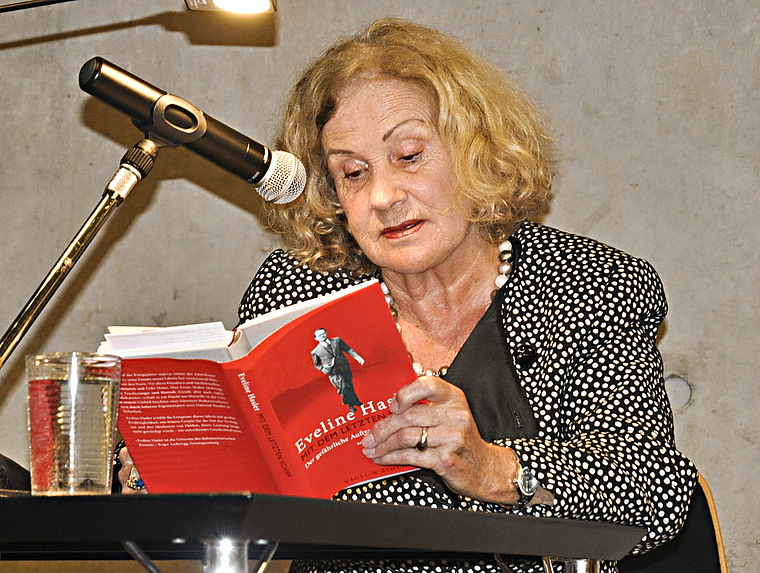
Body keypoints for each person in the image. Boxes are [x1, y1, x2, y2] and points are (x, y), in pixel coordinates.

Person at [121, 16, 698, 573]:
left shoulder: (586, 284)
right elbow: (267, 496)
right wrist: (178, 470)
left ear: (477, 153)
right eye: (352, 173)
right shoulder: (301, 291)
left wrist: (496, 468)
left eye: (409, 157)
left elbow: (658, 498)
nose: (381, 196)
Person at [311, 328, 365, 413]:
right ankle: (351, 405)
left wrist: (358, 357)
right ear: (316, 338)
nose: (323, 336)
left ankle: (356, 401)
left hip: (344, 367)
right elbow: (317, 364)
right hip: (333, 371)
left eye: (324, 333)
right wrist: (325, 370)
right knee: (343, 387)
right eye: (320, 335)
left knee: (349, 384)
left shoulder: (337, 341)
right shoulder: (316, 351)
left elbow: (348, 349)